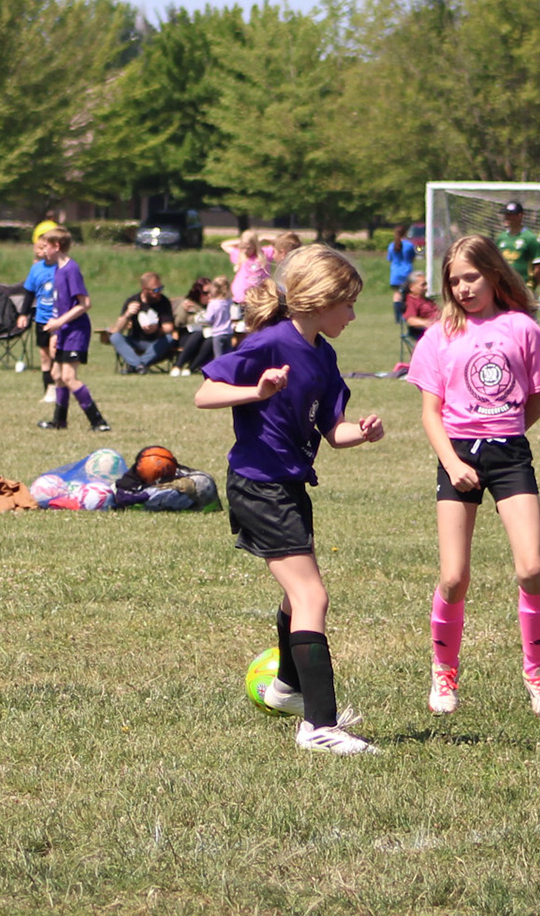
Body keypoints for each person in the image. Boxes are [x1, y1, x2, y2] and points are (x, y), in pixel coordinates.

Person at [194, 246, 387, 755]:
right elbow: (205, 393)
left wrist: (362, 433)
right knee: (311, 598)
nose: (352, 315)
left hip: (290, 486)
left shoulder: (323, 355)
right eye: (348, 304)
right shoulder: (271, 342)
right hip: (259, 485)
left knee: (296, 596)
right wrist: (256, 392)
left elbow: (333, 432)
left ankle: (286, 689)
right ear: (321, 301)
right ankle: (319, 726)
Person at [406, 236, 540, 719]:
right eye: (454, 281)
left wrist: (505, 436)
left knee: (531, 568)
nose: (463, 288)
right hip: (457, 455)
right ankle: (443, 670)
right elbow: (430, 413)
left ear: (494, 274)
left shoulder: (524, 329)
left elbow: (536, 400)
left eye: (471, 277)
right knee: (454, 576)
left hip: (510, 455)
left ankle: (538, 674)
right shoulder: (438, 335)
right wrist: (454, 463)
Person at [36, 228, 109, 431]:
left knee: (68, 377)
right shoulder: (58, 270)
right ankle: (59, 421)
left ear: (57, 246)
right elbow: (60, 306)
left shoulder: (71, 269)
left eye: (46, 247)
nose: (43, 251)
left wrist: (59, 323)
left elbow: (85, 304)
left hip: (76, 330)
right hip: (64, 331)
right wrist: (55, 334)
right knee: (57, 375)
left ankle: (98, 422)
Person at [110, 271, 176, 373]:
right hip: (135, 341)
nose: (159, 292)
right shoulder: (132, 301)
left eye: (160, 288)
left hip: (154, 343)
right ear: (144, 289)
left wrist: (156, 330)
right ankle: (139, 365)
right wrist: (127, 314)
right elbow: (117, 329)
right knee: (115, 337)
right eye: (155, 290)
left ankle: (135, 366)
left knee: (169, 339)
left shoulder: (163, 302)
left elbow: (169, 327)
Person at [19, 238, 59, 402]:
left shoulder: (62, 267)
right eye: (40, 248)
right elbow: (29, 293)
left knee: (55, 352)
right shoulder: (36, 269)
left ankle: (59, 388)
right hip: (42, 317)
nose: (42, 251)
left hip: (59, 318)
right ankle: (48, 390)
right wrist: (23, 314)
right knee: (44, 355)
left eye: (45, 247)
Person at [175, 277, 233, 376]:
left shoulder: (215, 303)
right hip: (189, 335)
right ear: (198, 293)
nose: (209, 295)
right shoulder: (188, 303)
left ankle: (191, 368)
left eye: (211, 292)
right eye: (205, 293)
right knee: (198, 334)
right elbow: (178, 323)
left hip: (210, 335)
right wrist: (186, 311)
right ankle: (178, 366)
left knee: (211, 341)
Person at [221, 231, 277, 320]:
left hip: (259, 298)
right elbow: (224, 245)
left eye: (248, 248)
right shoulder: (240, 255)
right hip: (242, 299)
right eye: (243, 248)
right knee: (240, 323)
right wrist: (242, 242)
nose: (245, 251)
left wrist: (263, 238)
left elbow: (281, 242)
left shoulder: (264, 254)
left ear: (255, 246)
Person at [493, 201, 538, 294]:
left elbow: (539, 265)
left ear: (520, 215)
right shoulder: (501, 238)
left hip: (523, 288)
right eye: (505, 214)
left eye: (510, 214)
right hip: (503, 287)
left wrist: (532, 286)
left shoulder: (530, 238)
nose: (506, 217)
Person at [387, 225, 418, 325]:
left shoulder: (391, 246)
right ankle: (407, 315)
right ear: (405, 233)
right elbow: (412, 258)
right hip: (407, 273)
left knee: (397, 294)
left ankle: (398, 317)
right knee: (407, 295)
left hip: (395, 274)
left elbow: (390, 259)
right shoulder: (409, 245)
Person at [403, 274, 439, 343]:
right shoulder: (411, 301)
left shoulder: (425, 299)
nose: (426, 288)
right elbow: (410, 320)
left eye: (426, 285)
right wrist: (428, 323)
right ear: (411, 287)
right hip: (430, 331)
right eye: (423, 285)